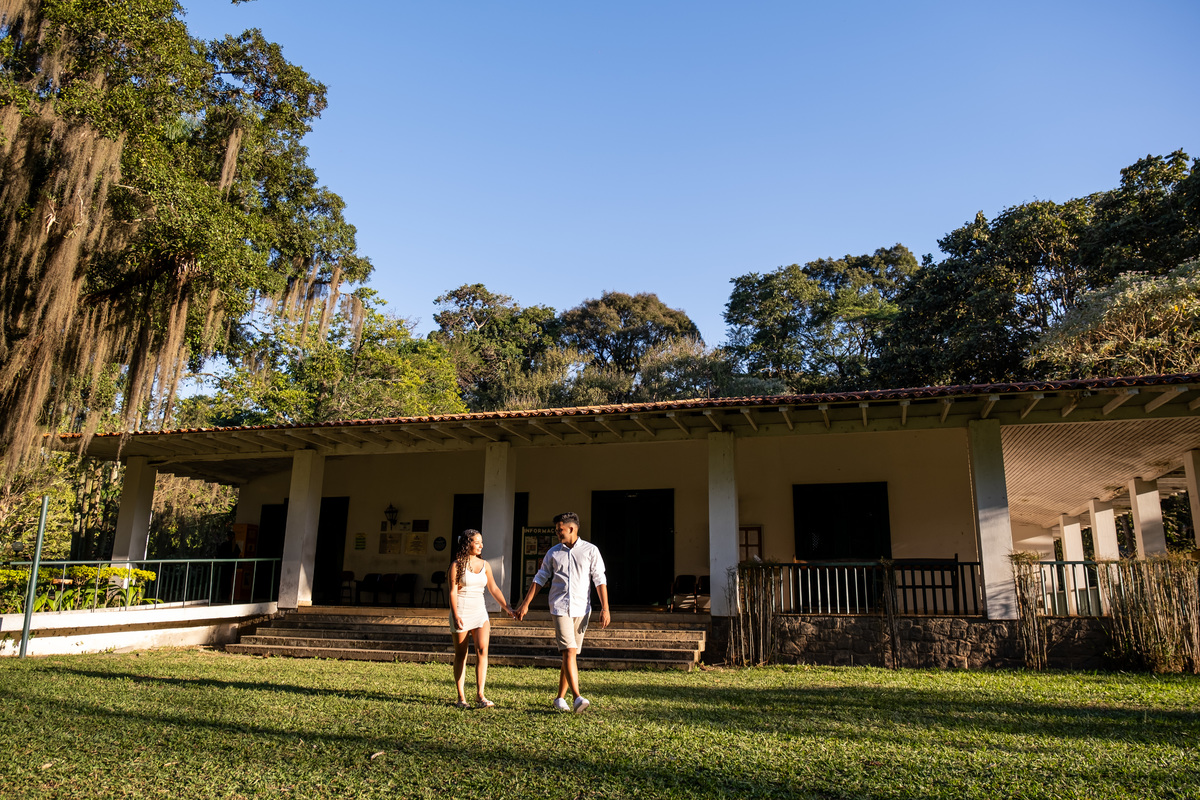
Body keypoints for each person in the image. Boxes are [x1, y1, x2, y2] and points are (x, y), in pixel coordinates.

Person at [515, 511, 609, 713]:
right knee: (569, 651)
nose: (558, 533)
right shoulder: (553, 553)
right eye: (557, 530)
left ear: (572, 528)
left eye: (560, 530)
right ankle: (577, 697)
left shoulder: (591, 551)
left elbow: (599, 579)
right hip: (559, 607)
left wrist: (605, 608)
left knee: (570, 655)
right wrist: (525, 604)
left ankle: (559, 698)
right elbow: (539, 578)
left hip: (582, 608)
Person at [448, 529, 515, 708]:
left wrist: (507, 607)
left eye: (481, 542)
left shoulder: (485, 565)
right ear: (467, 543)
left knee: (482, 650)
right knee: (461, 654)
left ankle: (480, 695)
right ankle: (461, 698)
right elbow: (453, 592)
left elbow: (493, 589)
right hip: (461, 611)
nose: (481, 546)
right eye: (477, 542)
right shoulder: (456, 565)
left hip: (480, 612)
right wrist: (455, 615)